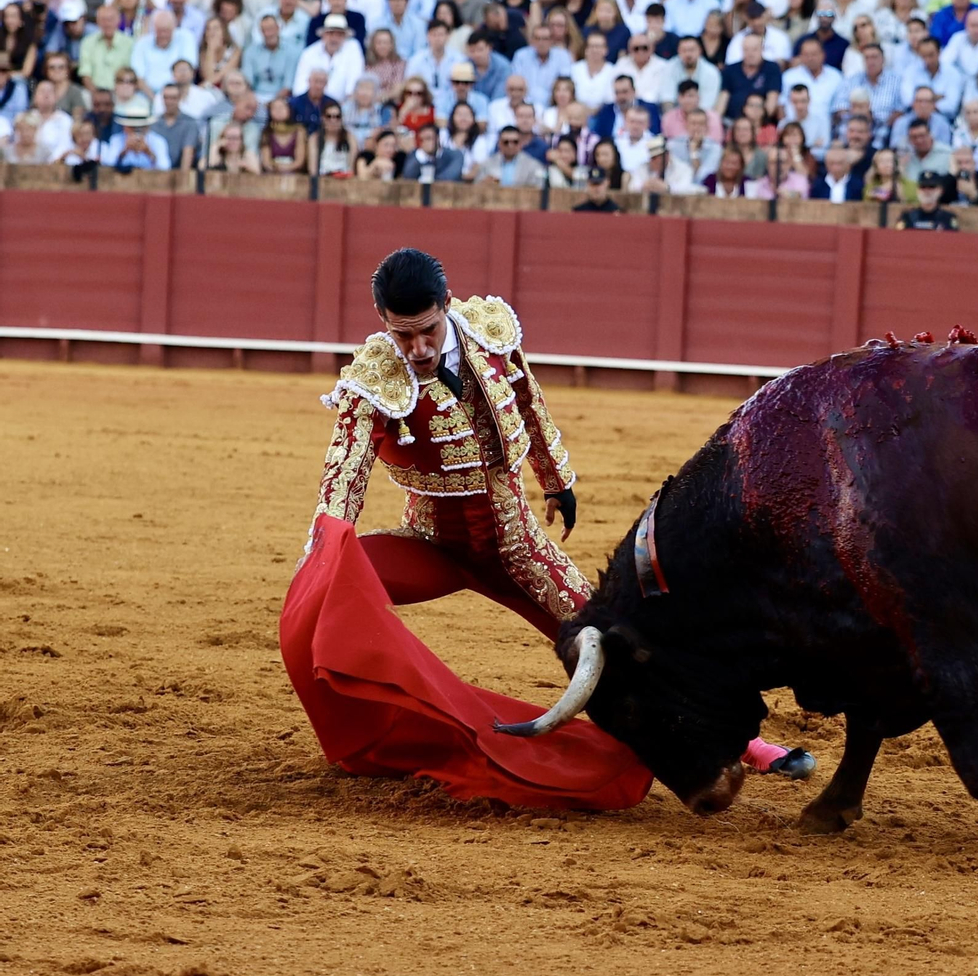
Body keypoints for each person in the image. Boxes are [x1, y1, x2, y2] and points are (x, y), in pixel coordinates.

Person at [289, 250, 813, 816]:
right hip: (431, 544)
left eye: (427, 332)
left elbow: (530, 405)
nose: (416, 349)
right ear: (382, 319)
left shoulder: (489, 334)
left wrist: (556, 479)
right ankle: (370, 736)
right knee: (326, 597)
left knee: (622, 649)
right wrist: (326, 545)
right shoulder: (373, 380)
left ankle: (747, 745)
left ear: (446, 305)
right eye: (402, 335)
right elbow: (344, 471)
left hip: (519, 549)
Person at [106, 95, 172, 169]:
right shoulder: (116, 140)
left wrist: (148, 152)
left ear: (147, 127)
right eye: (132, 127)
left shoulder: (158, 141)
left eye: (140, 127)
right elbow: (107, 165)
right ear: (125, 127)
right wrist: (124, 151)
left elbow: (165, 167)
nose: (136, 131)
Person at [477, 121, 547, 184]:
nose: (510, 145)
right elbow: (476, 187)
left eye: (515, 142)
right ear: (499, 143)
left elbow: (538, 188)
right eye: (506, 142)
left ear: (520, 143)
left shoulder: (533, 165)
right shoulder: (487, 164)